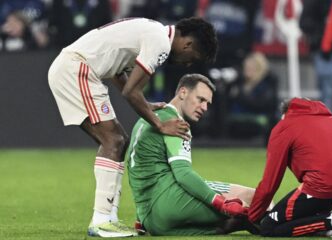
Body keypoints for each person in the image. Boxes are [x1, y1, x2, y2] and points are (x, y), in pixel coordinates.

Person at [48, 17, 218, 237]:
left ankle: (108, 218)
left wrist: (145, 104)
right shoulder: (161, 44)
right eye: (191, 58)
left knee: (118, 141)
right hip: (78, 69)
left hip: (78, 69)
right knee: (114, 141)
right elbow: (131, 91)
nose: (187, 64)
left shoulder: (153, 32)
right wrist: (160, 124)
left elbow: (119, 73)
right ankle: (101, 220)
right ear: (188, 44)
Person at [126, 74, 265, 236]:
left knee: (228, 225)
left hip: (151, 220)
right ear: (183, 93)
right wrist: (220, 203)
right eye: (200, 99)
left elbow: (137, 167)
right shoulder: (175, 124)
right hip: (171, 204)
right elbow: (183, 174)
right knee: (255, 198)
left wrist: (141, 216)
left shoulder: (147, 117)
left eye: (207, 103)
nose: (205, 108)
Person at [248, 98, 332, 238]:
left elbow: (270, 184)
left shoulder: (284, 127)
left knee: (269, 227)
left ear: (285, 114)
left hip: (327, 185)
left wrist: (253, 216)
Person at [227, 52, 279, 140]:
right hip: (236, 120)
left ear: (259, 68)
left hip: (257, 122)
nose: (247, 70)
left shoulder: (266, 84)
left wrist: (240, 95)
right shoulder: (238, 83)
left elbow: (262, 104)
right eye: (246, 67)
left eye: (251, 68)